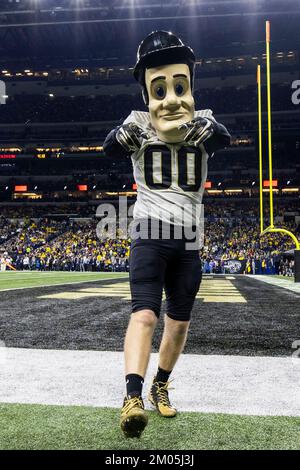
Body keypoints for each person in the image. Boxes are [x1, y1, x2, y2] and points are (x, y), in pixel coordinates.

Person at [104, 30, 230, 438]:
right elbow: (110, 147)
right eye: (161, 88)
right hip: (149, 231)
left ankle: (160, 384)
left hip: (190, 237)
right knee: (144, 313)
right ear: (146, 92)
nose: (172, 97)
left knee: (178, 324)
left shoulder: (202, 118)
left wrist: (205, 130)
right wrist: (122, 138)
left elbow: (223, 136)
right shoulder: (138, 122)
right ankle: (131, 396)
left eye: (180, 86)